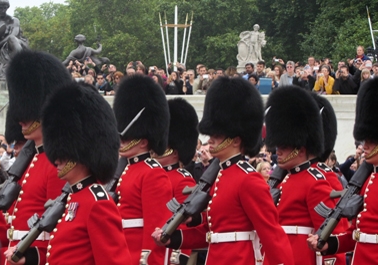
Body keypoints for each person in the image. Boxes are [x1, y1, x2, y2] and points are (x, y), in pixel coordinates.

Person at [152, 77, 294, 265]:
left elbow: (271, 234)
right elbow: (211, 233)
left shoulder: (248, 180)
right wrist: (175, 238)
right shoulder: (220, 177)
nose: (210, 140)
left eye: (217, 136)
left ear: (236, 140)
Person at [40, 82, 131, 265]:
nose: (56, 160)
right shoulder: (74, 198)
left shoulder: (97, 203)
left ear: (78, 152)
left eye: (63, 155)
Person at [2, 50, 72, 265]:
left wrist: (33, 257)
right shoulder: (30, 160)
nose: (20, 119)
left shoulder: (57, 164)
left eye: (29, 112)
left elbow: (60, 232)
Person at [307, 77, 378, 264]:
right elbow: (357, 234)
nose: (365, 146)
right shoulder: (368, 181)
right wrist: (329, 244)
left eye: (371, 140)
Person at [265, 86, 336, 265]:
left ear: (300, 148)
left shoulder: (314, 182)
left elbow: (330, 232)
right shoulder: (283, 180)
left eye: (284, 146)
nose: (277, 151)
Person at [113, 75, 173, 264]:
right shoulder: (124, 170)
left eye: (128, 138)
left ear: (143, 141)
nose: (122, 141)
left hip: (136, 256)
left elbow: (157, 228)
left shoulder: (152, 173)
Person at [155, 97, 199, 264]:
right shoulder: (152, 174)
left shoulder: (183, 180)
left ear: (174, 152)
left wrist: (179, 256)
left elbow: (185, 221)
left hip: (171, 251)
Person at [0, 0, 28, 77]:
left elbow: (12, 36)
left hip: (12, 45)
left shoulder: (14, 20)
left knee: (12, 39)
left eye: (5, 8)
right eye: (0, 8)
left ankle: (18, 63)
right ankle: (0, 67)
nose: (3, 10)